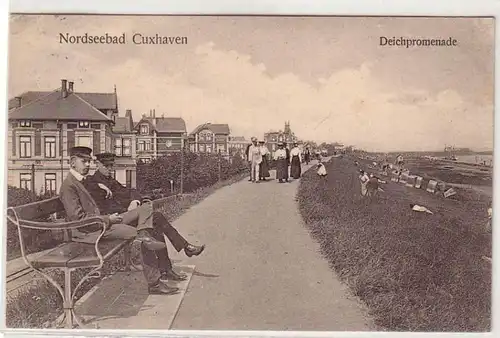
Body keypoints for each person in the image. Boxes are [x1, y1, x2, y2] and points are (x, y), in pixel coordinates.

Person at [59, 147, 185, 295]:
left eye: (88, 161)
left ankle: (146, 236)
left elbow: (96, 186)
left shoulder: (81, 180)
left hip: (103, 222)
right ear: (72, 162)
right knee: (143, 237)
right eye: (83, 161)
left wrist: (101, 187)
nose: (87, 165)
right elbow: (78, 219)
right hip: (91, 231)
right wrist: (108, 219)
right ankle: (154, 283)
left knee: (146, 209)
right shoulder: (69, 186)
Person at [86, 152, 205, 281]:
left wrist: (135, 201)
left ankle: (168, 267)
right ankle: (174, 260)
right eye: (106, 166)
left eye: (111, 166)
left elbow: (132, 191)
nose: (109, 169)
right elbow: (84, 183)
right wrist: (98, 185)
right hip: (113, 221)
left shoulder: (110, 181)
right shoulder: (92, 182)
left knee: (156, 220)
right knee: (156, 220)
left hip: (126, 216)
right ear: (97, 164)